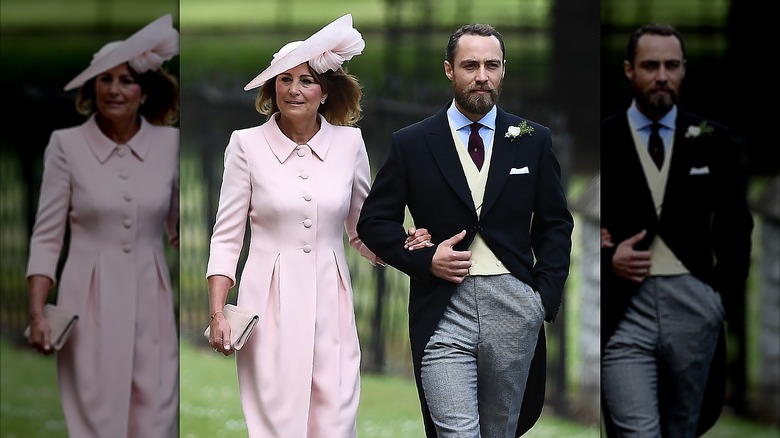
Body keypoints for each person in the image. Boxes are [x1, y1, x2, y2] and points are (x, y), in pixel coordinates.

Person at [204, 14, 430, 438]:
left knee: (335, 419)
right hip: (266, 303)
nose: (294, 89)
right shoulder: (246, 145)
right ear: (273, 89)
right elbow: (227, 235)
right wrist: (218, 312)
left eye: (306, 80)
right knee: (277, 423)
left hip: (332, 300)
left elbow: (364, 230)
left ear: (324, 91)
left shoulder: (350, 145)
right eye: (285, 79)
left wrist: (403, 245)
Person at [357, 23, 574, 438]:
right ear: (449, 70)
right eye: (470, 65)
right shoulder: (413, 142)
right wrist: (423, 257)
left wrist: (541, 300)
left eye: (492, 65)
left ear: (503, 70)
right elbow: (373, 222)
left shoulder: (533, 139)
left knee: (500, 432)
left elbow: (555, 224)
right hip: (442, 308)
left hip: (514, 304)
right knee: (456, 433)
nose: (482, 76)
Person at [24, 14, 180, 438]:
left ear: (144, 91)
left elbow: (182, 231)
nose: (114, 88)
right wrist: (38, 312)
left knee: (156, 420)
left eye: (126, 79)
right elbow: (47, 235)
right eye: (105, 79)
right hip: (86, 301)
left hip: (153, 300)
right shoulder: (66, 146)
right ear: (93, 88)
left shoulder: (171, 146)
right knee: (98, 422)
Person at [600, 23, 753, 437]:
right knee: (635, 431)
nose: (662, 75)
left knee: (683, 429)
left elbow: (737, 230)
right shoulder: (604, 137)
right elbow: (566, 222)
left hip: (695, 301)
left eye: (672, 65)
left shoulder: (713, 139)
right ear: (630, 70)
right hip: (625, 308)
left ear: (684, 70)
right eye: (651, 65)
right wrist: (608, 258)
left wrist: (719, 301)